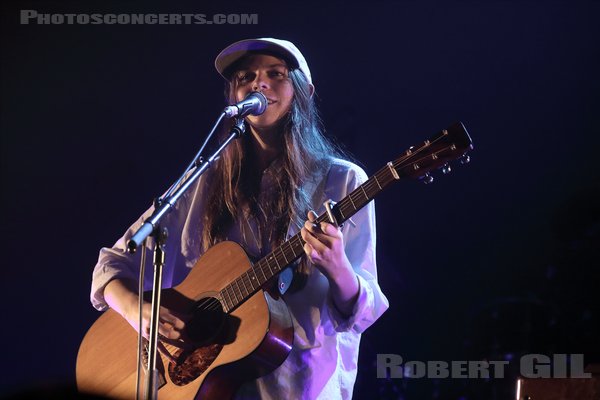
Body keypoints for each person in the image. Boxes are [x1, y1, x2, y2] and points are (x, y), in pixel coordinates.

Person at [90, 38, 389, 399]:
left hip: (301, 385)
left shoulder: (341, 181)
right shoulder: (203, 180)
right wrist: (140, 313)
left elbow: (363, 311)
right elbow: (113, 264)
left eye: (275, 74)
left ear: (303, 92)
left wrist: (338, 265)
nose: (258, 84)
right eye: (246, 77)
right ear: (233, 97)